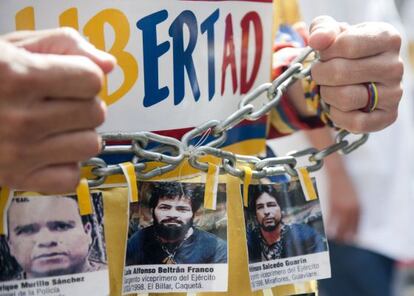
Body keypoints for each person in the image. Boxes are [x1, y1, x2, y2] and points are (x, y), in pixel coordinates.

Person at [126, 183, 227, 265]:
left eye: (182, 209)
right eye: (164, 208)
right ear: (153, 211)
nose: (172, 215)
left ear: (194, 214)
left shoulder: (216, 247)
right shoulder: (137, 241)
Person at [6, 195, 105, 279]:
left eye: (61, 226)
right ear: (10, 244)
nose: (46, 240)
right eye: (27, 230)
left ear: (87, 232)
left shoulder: (114, 276)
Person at [247, 185, 326, 263]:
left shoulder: (306, 236)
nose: (266, 212)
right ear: (255, 215)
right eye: (260, 207)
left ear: (281, 210)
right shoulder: (250, 241)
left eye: (271, 205)